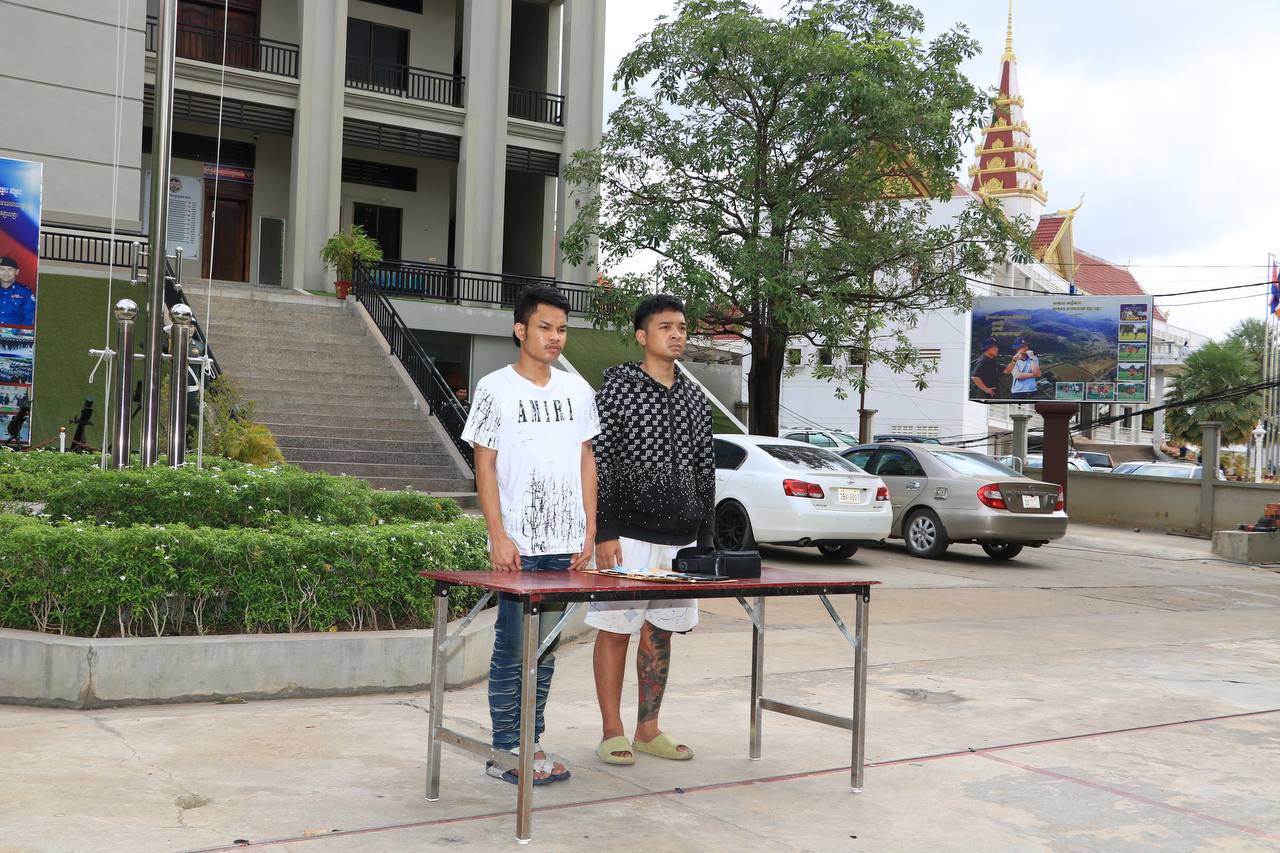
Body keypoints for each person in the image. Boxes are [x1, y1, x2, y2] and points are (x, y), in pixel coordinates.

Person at [460, 283, 600, 786]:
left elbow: (587, 461)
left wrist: (589, 530)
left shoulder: (577, 390)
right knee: (513, 648)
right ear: (521, 330)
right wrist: (497, 534)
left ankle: (531, 742)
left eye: (562, 329)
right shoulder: (495, 388)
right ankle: (505, 751)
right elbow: (484, 463)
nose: (555, 337)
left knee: (545, 651)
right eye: (545, 327)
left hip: (566, 546)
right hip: (518, 546)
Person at [589, 294, 714, 766]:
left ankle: (648, 729)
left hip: (680, 539)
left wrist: (705, 538)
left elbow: (705, 470)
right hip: (628, 535)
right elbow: (600, 463)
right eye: (665, 327)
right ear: (642, 336)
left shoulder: (694, 397)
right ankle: (612, 731)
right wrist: (604, 531)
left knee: (660, 632)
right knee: (615, 629)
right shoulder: (617, 392)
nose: (677, 334)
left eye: (681, 327)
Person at [0, 257, 36, 327]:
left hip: (15, 333)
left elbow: (29, 318)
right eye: (2, 269)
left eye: (10, 269)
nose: (6, 273)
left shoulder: (25, 292)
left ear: (17, 272)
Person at [1005, 337, 1040, 401]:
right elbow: (1018, 375)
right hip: (1018, 392)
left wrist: (1031, 357)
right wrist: (1033, 375)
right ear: (1017, 349)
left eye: (1027, 346)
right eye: (1023, 346)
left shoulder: (1034, 358)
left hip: (1032, 390)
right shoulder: (1014, 360)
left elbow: (1036, 373)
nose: (1027, 348)